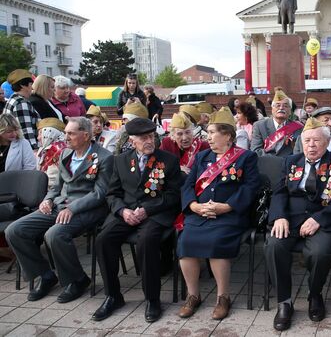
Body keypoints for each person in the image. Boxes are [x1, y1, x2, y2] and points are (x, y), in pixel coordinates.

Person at [5, 117, 113, 303]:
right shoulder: (65, 154)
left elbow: (100, 193)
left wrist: (73, 208)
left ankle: (77, 280)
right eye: (65, 133)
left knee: (55, 234)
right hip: (60, 205)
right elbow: (56, 186)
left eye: (70, 133)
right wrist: (47, 200)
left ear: (86, 135)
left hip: (87, 209)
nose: (66, 137)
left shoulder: (104, 157)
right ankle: (45, 275)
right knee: (14, 230)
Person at [266, 118, 331, 331]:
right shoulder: (290, 161)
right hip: (291, 218)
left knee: (320, 253)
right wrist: (279, 216)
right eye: (306, 141)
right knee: (274, 246)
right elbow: (278, 192)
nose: (311, 145)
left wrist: (318, 219)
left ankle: (315, 294)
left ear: (327, 141)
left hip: (324, 218)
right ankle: (284, 302)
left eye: (316, 140)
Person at [93, 118, 181, 323]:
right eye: (144, 138)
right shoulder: (121, 160)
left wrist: (147, 210)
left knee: (146, 242)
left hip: (156, 213)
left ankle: (152, 299)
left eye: (152, 136)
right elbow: (112, 194)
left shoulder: (168, 160)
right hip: (127, 212)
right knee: (103, 240)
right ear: (132, 141)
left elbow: (174, 195)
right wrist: (122, 211)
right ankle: (113, 296)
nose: (149, 141)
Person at [177, 107, 260, 320]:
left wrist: (227, 206)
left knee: (216, 244)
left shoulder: (246, 158)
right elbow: (187, 186)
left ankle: (223, 297)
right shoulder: (203, 156)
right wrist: (193, 206)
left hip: (229, 214)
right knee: (185, 243)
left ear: (228, 136)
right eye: (208, 132)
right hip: (200, 212)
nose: (208, 137)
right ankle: (193, 295)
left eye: (213, 132)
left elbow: (250, 188)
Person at [251, 90, 303, 157]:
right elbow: (256, 150)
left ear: (290, 111)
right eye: (278, 105)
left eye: (285, 106)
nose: (281, 108)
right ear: (272, 110)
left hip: (289, 164)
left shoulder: (297, 127)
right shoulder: (259, 126)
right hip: (267, 164)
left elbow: (300, 152)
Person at [3, 69, 39, 149]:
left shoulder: (13, 99)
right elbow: (26, 129)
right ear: (23, 85)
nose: (32, 87)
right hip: (24, 149)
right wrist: (34, 149)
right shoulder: (21, 103)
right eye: (30, 84)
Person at [36, 118, 67, 189]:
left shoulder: (58, 150)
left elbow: (53, 180)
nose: (38, 138)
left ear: (49, 133)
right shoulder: (44, 149)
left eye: (41, 133)